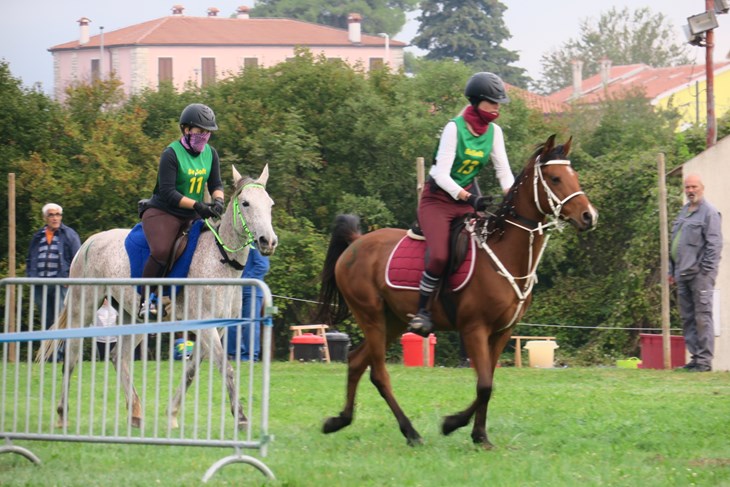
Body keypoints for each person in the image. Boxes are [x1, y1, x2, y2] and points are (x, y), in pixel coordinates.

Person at [408, 72, 516, 335]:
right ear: (477, 101)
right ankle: (422, 312)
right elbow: (440, 175)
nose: (497, 107)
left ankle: (468, 307)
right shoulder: (454, 128)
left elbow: (503, 172)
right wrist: (470, 198)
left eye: (499, 102)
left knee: (485, 248)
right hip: (437, 201)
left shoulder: (495, 132)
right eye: (492, 101)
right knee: (441, 255)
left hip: (466, 199)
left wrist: (513, 199)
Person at [138, 103, 225, 318]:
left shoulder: (211, 154)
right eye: (200, 131)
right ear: (186, 130)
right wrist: (198, 205)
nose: (204, 136)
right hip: (164, 211)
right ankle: (145, 299)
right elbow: (169, 192)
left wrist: (218, 201)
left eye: (208, 132)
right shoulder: (171, 153)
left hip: (193, 212)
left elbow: (216, 184)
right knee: (162, 250)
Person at [668, 173, 723, 372]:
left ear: (702, 188)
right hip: (681, 274)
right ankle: (695, 358)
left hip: (700, 276)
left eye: (694, 187)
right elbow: (675, 243)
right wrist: (671, 270)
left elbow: (714, 245)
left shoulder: (709, 213)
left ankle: (704, 362)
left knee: (703, 317)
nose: (690, 191)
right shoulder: (684, 211)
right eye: (687, 187)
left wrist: (706, 272)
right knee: (688, 318)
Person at [26, 203, 81, 328]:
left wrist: (71, 279)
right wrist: (30, 277)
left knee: (60, 318)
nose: (55, 218)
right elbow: (30, 258)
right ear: (45, 217)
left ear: (61, 217)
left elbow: (77, 259)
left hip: (61, 283)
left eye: (58, 214)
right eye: (51, 215)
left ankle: (60, 348)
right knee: (46, 319)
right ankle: (49, 347)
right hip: (40, 284)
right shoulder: (38, 235)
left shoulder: (69, 234)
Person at [227, 248, 271, 361]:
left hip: (251, 290)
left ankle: (250, 357)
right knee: (231, 322)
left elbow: (262, 266)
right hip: (234, 288)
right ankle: (233, 355)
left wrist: (244, 280)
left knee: (250, 324)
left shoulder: (255, 243)